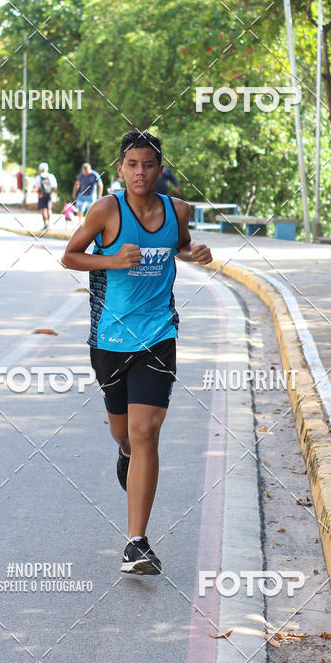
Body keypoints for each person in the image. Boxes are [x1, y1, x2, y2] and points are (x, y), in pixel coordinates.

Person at [61, 130, 212, 575]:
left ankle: (136, 543)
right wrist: (111, 259)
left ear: (160, 168)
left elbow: (178, 245)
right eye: (132, 164)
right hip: (109, 339)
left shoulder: (176, 210)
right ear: (121, 168)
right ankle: (125, 452)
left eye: (148, 164)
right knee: (124, 433)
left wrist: (193, 252)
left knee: (147, 430)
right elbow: (70, 256)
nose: (141, 172)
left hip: (158, 334)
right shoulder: (106, 210)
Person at [34, 162, 57, 229]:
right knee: (49, 209)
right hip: (49, 195)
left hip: (41, 195)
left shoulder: (38, 177)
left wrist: (35, 190)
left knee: (43, 210)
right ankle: (49, 223)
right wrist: (51, 192)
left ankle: (45, 224)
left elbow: (36, 187)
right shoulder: (51, 176)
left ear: (40, 169)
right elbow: (55, 187)